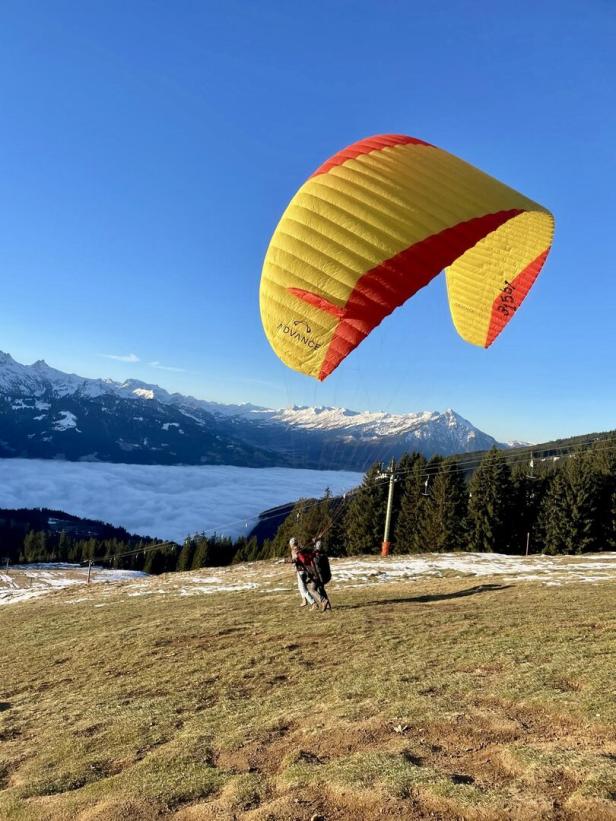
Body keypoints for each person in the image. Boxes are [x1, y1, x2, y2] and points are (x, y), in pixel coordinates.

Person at [289, 537, 316, 609]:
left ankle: (313, 603)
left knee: (303, 588)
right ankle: (304, 600)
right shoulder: (301, 548)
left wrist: (291, 561)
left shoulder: (294, 550)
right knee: (301, 587)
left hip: (301, 571)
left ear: (291, 544)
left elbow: (295, 560)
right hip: (304, 570)